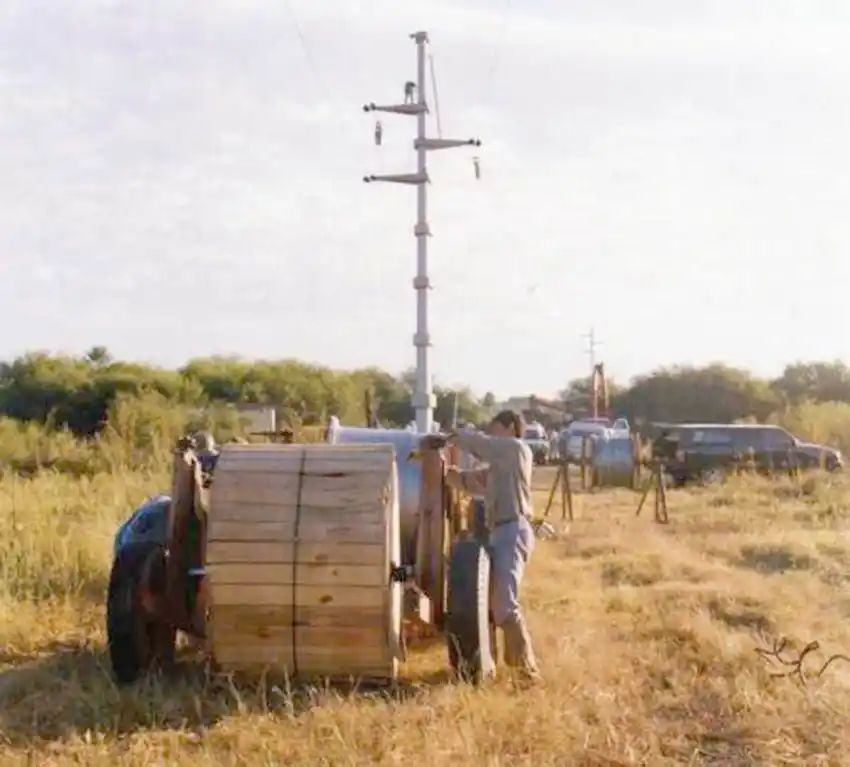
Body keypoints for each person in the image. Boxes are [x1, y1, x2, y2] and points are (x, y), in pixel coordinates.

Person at [423, 409, 541, 685]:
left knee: (504, 605)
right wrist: (444, 471)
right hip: (501, 532)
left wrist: (450, 436)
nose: (491, 435)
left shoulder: (516, 450)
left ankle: (528, 672)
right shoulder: (502, 466)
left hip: (512, 529)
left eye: (495, 428)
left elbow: (482, 446)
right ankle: (498, 666)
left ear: (511, 427)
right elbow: (470, 482)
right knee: (490, 605)